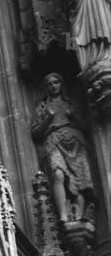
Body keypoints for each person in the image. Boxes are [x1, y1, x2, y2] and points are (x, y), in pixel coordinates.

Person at [31, 72, 96, 226]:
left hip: (75, 140)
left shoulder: (71, 104)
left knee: (79, 179)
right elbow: (35, 133)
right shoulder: (42, 108)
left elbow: (87, 128)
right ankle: (63, 216)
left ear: (61, 84)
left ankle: (80, 216)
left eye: (56, 82)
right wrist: (48, 119)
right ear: (45, 88)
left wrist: (72, 117)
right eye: (50, 84)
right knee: (58, 174)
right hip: (54, 140)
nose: (54, 86)